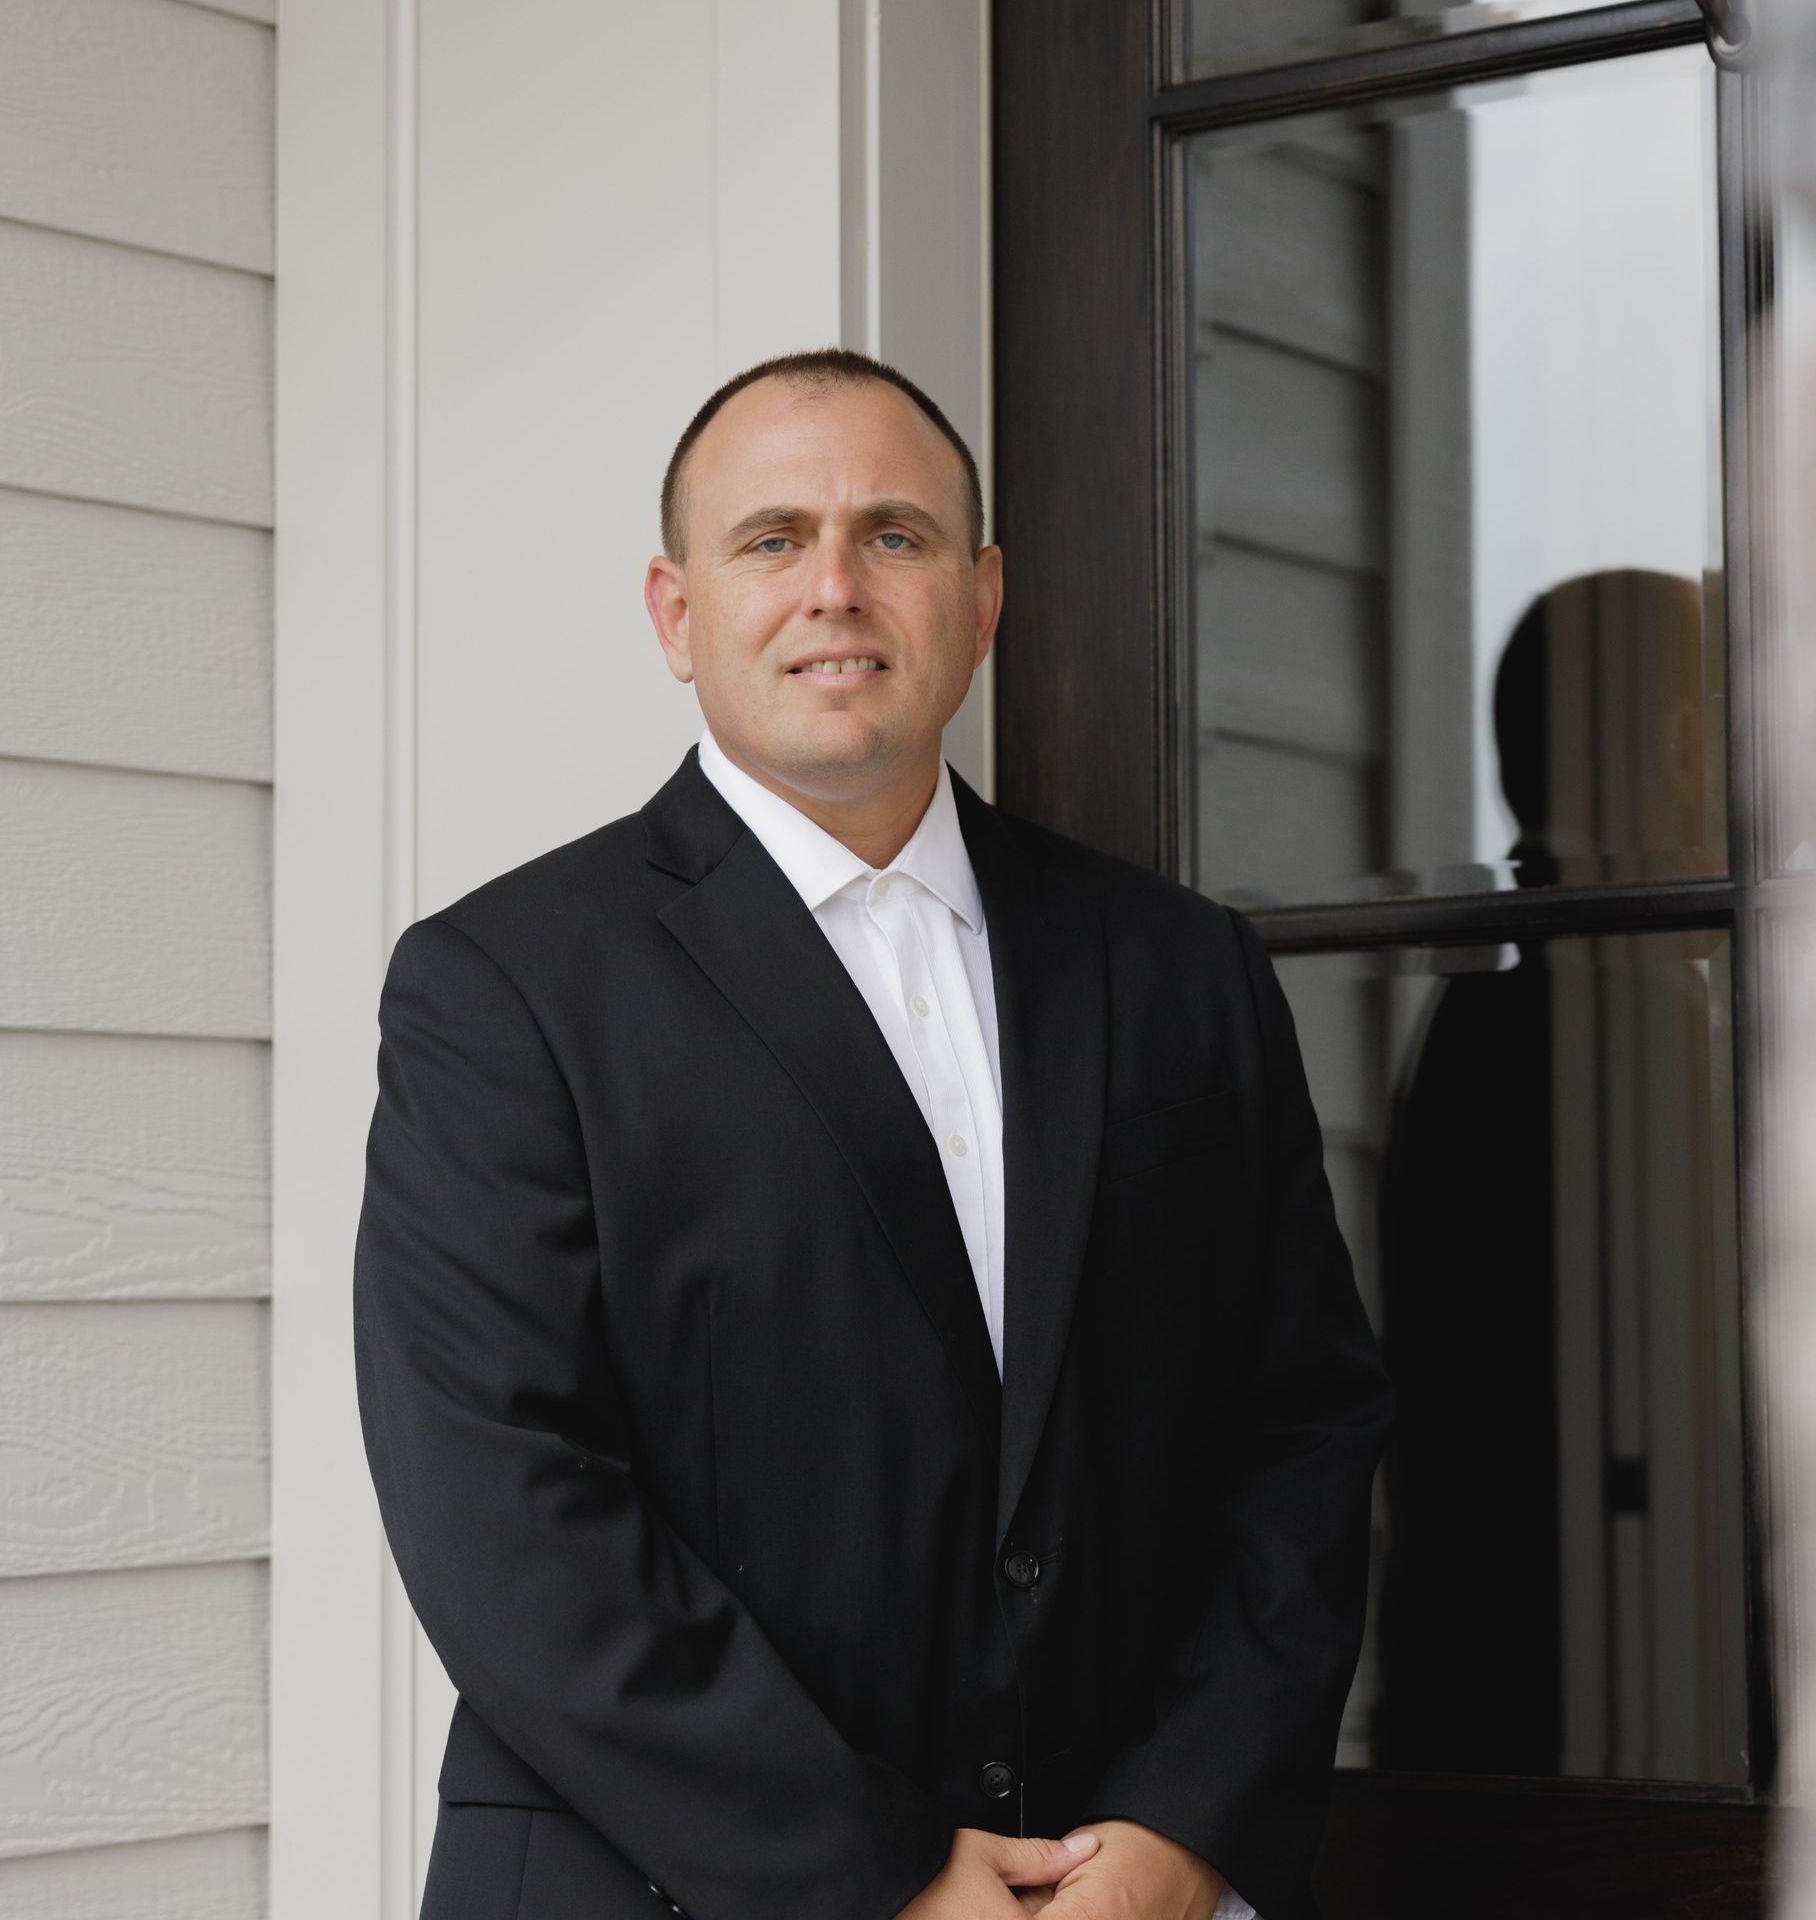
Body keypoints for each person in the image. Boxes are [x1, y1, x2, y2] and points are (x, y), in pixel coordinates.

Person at [352, 346, 1396, 1920]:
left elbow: (1300, 1431)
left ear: (980, 600)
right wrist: (885, 1881)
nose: (833, 586)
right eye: (771, 540)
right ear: (675, 613)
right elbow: (504, 1509)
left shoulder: (1181, 968)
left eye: (891, 536)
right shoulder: (503, 988)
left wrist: (1185, 1828)